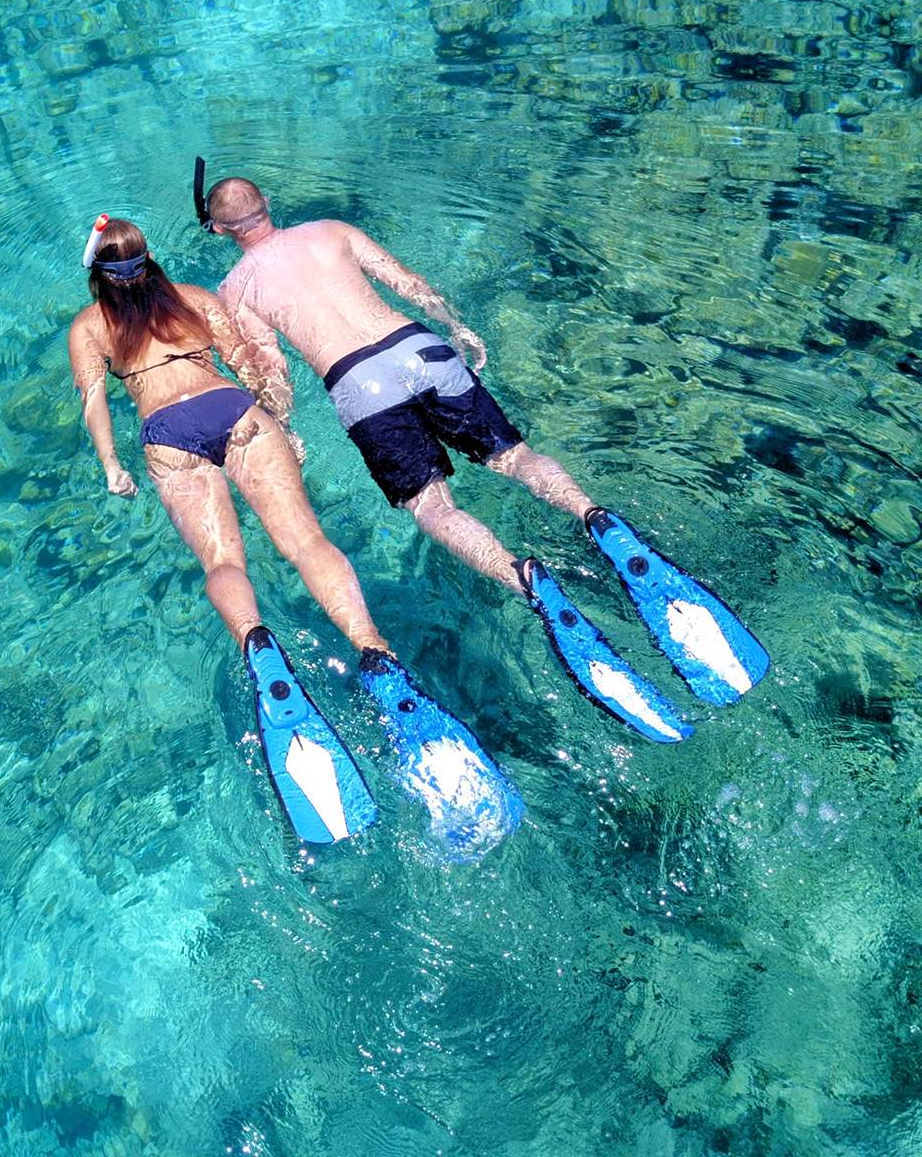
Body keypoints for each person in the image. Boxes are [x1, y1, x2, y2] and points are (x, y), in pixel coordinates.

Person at [199, 170, 768, 738]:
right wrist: (457, 326)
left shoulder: (238, 289)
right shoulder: (330, 230)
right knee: (515, 456)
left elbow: (270, 373)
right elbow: (406, 281)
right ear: (267, 204)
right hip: (420, 347)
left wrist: (281, 425)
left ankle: (523, 579)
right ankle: (597, 518)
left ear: (221, 229)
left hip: (359, 383)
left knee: (433, 508)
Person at [66, 215, 521, 857]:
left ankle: (259, 648)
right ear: (147, 260)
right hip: (234, 410)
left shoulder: (90, 327)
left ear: (96, 273)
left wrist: (112, 466)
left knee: (224, 561)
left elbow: (92, 399)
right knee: (306, 542)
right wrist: (279, 420)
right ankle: (374, 651)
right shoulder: (195, 298)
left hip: (167, 432)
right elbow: (249, 359)